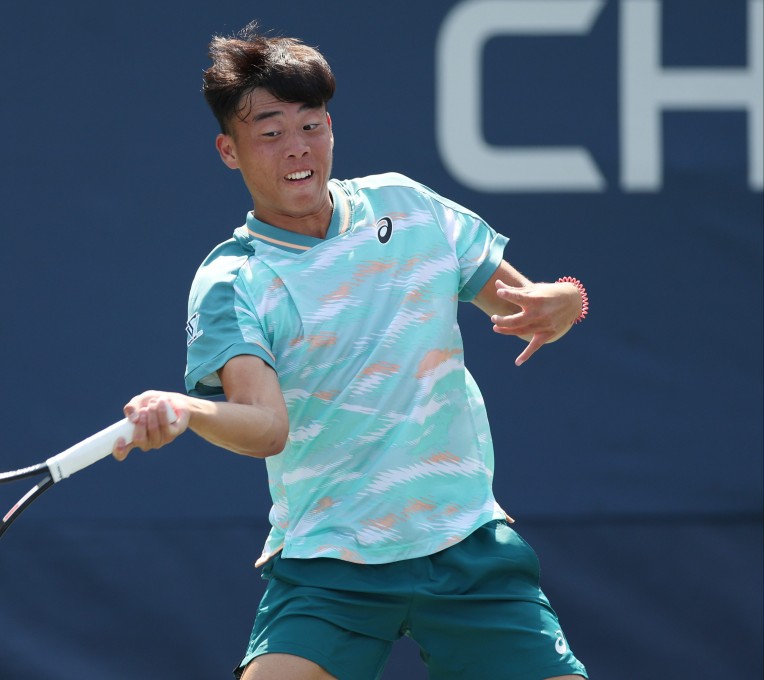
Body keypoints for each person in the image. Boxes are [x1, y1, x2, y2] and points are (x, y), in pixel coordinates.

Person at [113, 23, 590, 680]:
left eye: (310, 126)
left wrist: (567, 300)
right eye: (271, 132)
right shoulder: (233, 280)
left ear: (331, 128)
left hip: (465, 545)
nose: (297, 148)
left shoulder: (409, 207)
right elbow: (266, 427)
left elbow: (526, 307)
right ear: (230, 150)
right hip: (331, 567)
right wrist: (189, 411)